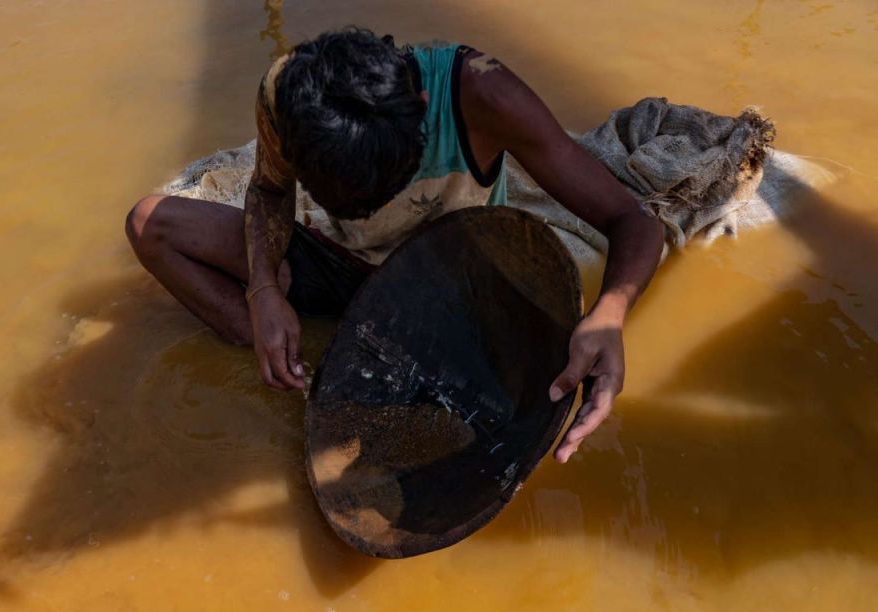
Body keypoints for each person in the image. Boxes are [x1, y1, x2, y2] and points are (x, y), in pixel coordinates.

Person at [125, 29, 663, 463]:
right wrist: (263, 291)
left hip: (454, 280)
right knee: (150, 224)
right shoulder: (285, 95)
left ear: (422, 111)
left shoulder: (482, 95)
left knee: (501, 421)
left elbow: (631, 221)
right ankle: (298, 358)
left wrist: (611, 313)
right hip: (335, 260)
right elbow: (268, 189)